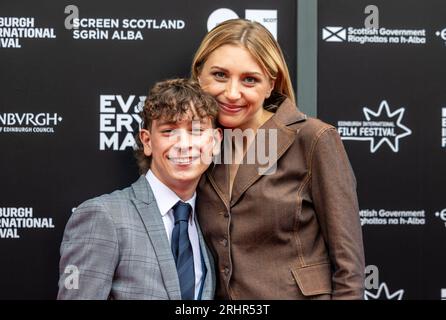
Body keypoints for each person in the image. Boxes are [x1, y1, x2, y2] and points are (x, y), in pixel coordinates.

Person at [191, 19, 365, 300]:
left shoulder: (312, 138)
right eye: (220, 75)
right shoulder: (198, 144)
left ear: (271, 84)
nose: (232, 93)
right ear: (199, 75)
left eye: (250, 79)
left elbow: (349, 267)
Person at [57, 78, 222, 300]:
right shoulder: (103, 216)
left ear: (215, 141)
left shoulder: (211, 223)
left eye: (196, 130)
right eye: (169, 131)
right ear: (147, 141)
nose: (184, 144)